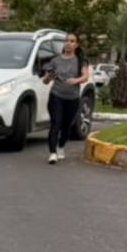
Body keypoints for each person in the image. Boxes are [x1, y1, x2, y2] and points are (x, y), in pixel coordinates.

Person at [41, 33, 90, 165]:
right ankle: (52, 153)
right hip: (56, 96)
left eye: (72, 41)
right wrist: (47, 78)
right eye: (66, 40)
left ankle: (61, 146)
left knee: (66, 126)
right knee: (56, 123)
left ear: (76, 45)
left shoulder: (80, 61)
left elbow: (85, 76)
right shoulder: (55, 60)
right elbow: (45, 80)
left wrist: (76, 80)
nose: (68, 43)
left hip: (72, 98)